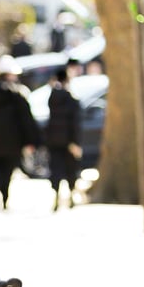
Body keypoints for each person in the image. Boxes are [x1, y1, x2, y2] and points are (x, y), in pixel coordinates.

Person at [0, 55, 41, 210]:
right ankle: (4, 197)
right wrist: (31, 141)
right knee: (7, 171)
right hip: (12, 143)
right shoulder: (18, 94)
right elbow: (26, 120)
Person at [45, 67, 83, 210]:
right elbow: (75, 123)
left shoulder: (52, 97)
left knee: (56, 168)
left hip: (53, 139)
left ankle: (56, 196)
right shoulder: (71, 99)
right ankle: (71, 196)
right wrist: (75, 142)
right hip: (68, 140)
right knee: (70, 169)